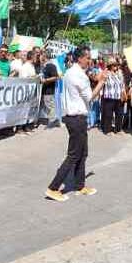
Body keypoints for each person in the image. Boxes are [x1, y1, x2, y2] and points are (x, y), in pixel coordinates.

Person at [46, 47, 105, 202]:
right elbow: (90, 96)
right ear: (80, 58)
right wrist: (101, 82)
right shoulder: (78, 75)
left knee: (82, 153)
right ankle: (53, 188)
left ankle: (80, 185)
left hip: (75, 117)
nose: (89, 61)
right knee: (74, 155)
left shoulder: (71, 72)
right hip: (76, 118)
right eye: (87, 58)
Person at [99, 58, 126, 134]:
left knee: (120, 114)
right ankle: (107, 130)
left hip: (119, 97)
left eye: (116, 65)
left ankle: (118, 129)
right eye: (114, 65)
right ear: (110, 66)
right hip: (109, 97)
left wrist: (123, 94)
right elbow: (99, 80)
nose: (116, 67)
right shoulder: (106, 73)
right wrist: (104, 71)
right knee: (108, 115)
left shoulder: (119, 74)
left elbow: (122, 85)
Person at [39, 51, 60, 127]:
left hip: (49, 90)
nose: (40, 57)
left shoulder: (51, 66)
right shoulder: (44, 66)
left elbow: (56, 77)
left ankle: (53, 121)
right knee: (46, 106)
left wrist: (46, 80)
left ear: (45, 57)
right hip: (44, 90)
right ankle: (52, 120)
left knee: (50, 106)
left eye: (42, 55)